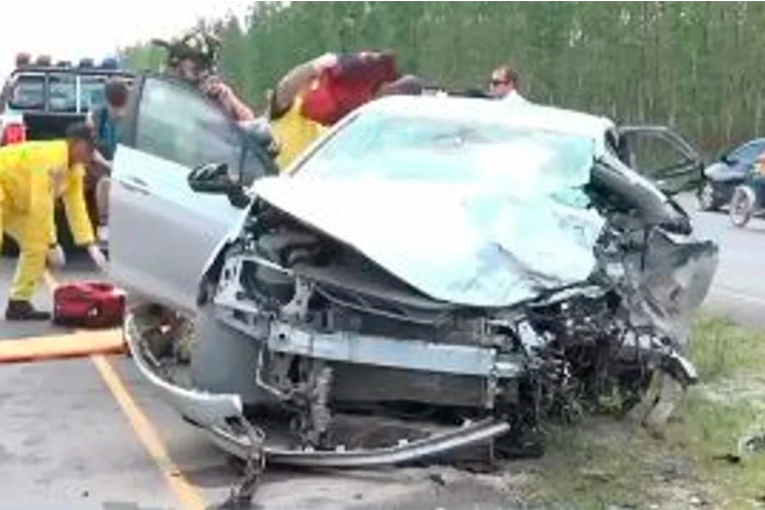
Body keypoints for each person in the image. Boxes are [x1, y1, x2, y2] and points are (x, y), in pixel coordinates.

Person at [0, 123, 106, 321]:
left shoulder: (75, 170)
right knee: (41, 241)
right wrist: (52, 243)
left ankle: (18, 303)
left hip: (14, 199)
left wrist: (90, 245)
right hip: (3, 184)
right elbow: (41, 205)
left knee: (35, 246)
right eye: (89, 148)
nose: (91, 154)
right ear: (75, 143)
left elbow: (76, 207)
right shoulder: (49, 158)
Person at [270, 53, 424, 170]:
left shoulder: (340, 119)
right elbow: (286, 87)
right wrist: (314, 66)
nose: (321, 85)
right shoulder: (288, 111)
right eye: (316, 79)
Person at [154, 28, 256, 125]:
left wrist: (228, 101)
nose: (204, 73)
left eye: (206, 67)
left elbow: (251, 124)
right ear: (177, 65)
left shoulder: (218, 93)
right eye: (197, 68)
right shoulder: (160, 95)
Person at [86, 78, 130, 245]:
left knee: (107, 181)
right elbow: (90, 147)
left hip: (126, 165)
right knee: (104, 181)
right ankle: (103, 224)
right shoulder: (98, 115)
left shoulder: (135, 117)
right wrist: (106, 163)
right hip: (101, 163)